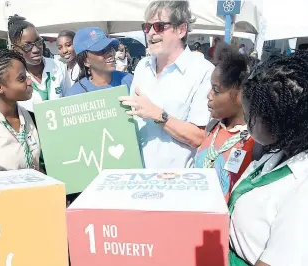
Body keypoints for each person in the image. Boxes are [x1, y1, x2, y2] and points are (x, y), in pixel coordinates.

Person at [229, 52, 308, 266]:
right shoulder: (277, 153)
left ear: (276, 120)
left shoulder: (302, 188)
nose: (246, 124)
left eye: (249, 117)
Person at [119, 1, 215, 169]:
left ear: (181, 29)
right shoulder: (142, 66)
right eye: (147, 27)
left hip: (177, 183)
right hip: (136, 176)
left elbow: (199, 137)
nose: (150, 33)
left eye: (159, 26)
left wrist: (157, 115)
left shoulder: (203, 71)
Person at [194, 44, 255, 202]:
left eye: (216, 90)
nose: (209, 95)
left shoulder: (253, 143)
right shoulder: (213, 127)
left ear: (240, 94)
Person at [8, 15, 71, 111]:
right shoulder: (12, 77)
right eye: (27, 45)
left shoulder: (59, 67)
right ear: (15, 49)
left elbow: (69, 101)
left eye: (38, 42)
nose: (36, 49)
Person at [63, 27, 134, 97]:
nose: (110, 53)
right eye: (101, 50)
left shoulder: (130, 81)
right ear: (85, 61)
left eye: (110, 48)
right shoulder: (74, 95)